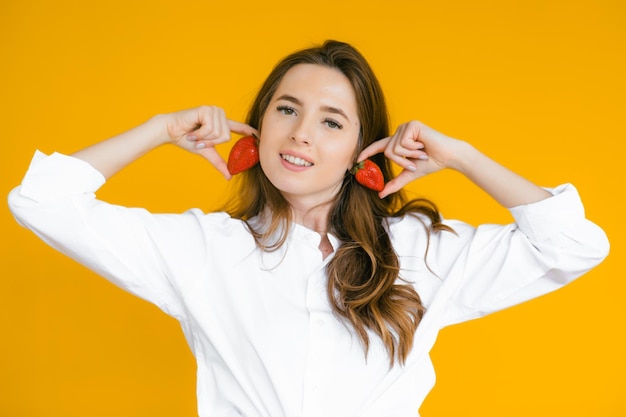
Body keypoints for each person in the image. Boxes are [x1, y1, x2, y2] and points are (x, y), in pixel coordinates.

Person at [8, 40, 609, 417]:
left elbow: (576, 245)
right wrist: (160, 129)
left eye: (331, 122)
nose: (300, 134)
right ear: (259, 127)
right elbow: (40, 201)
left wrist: (465, 158)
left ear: (359, 150)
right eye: (287, 110)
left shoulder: (421, 252)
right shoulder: (201, 248)